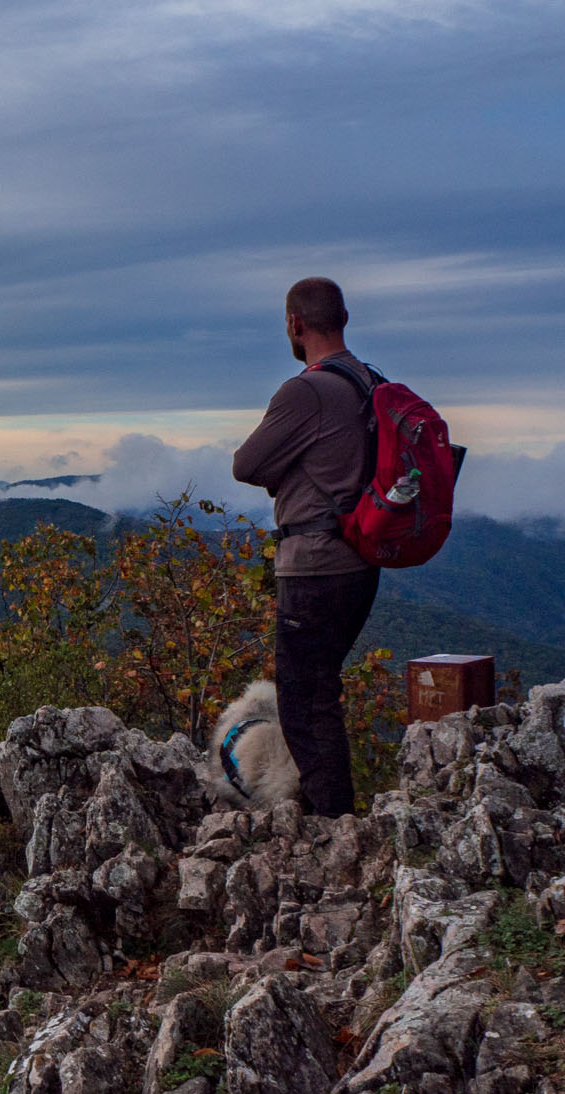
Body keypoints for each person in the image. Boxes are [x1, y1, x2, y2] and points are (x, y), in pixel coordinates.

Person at [231, 277, 378, 818]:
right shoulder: (365, 381)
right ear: (344, 317)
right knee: (321, 694)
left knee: (304, 703)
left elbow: (246, 465)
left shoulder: (306, 390)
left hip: (315, 565)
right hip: (360, 562)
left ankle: (331, 824)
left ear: (294, 324)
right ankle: (333, 814)